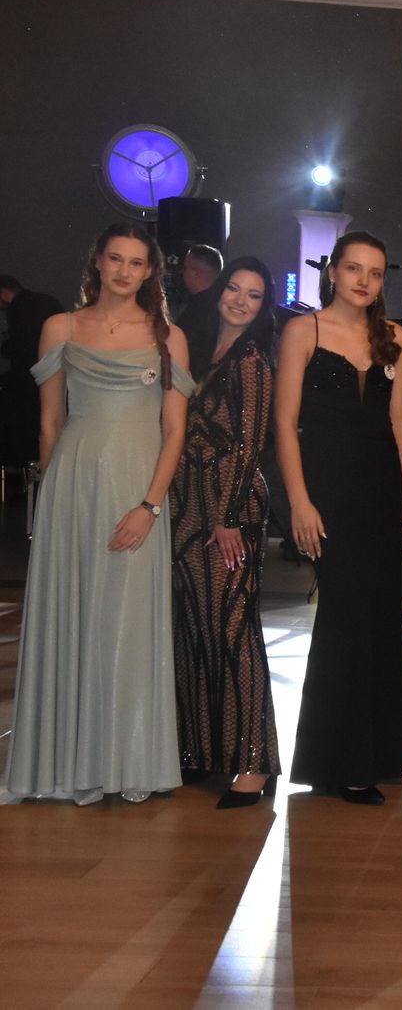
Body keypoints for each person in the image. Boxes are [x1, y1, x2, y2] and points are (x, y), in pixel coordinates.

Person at [2, 224, 193, 805]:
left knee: (128, 622)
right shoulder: (60, 328)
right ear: (98, 262)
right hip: (72, 488)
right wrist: (52, 497)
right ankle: (63, 765)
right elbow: (50, 422)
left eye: (136, 262)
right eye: (116, 258)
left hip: (138, 488)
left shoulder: (168, 336)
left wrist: (150, 505)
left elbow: (174, 430)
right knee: (72, 615)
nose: (124, 271)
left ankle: (128, 761)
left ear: (149, 271)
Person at [274, 230, 402, 805]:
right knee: (343, 619)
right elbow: (285, 425)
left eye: (375, 273)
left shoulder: (395, 338)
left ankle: (378, 754)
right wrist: (300, 502)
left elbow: (400, 423)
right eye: (354, 268)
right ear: (332, 271)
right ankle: (341, 762)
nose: (364, 281)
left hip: (381, 492)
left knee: (381, 618)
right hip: (328, 493)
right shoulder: (302, 331)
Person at [170, 257, 282, 809]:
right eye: (234, 288)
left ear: (264, 306)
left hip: (228, 508)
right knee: (195, 628)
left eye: (253, 295)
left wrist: (230, 517)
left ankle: (253, 763)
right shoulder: (201, 348)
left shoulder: (253, 361)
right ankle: (201, 752)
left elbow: (251, 444)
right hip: (188, 503)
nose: (240, 300)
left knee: (234, 631)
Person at [0, 273, 64, 468]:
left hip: (29, 382)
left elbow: (21, 348)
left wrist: (6, 348)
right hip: (58, 375)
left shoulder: (17, 309)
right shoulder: (47, 301)